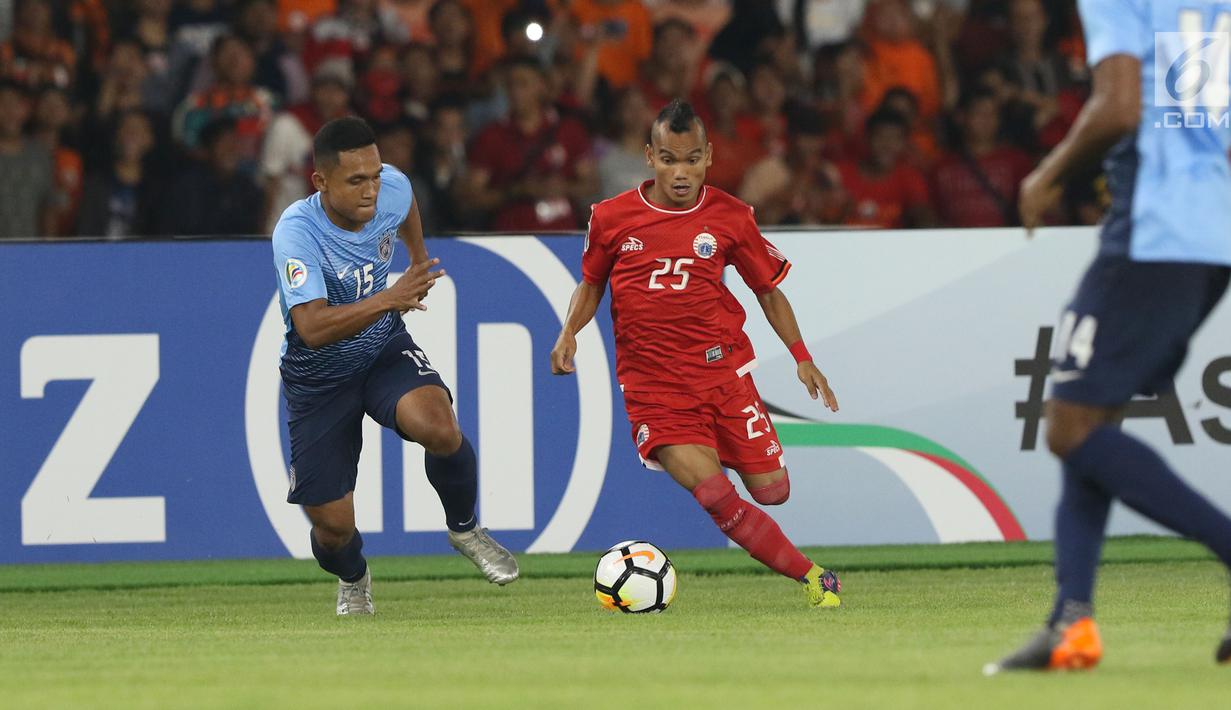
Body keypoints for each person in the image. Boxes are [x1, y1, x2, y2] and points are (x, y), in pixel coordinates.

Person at [986, 0, 1231, 673]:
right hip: (1211, 230)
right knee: (1090, 419)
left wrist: (1047, 174)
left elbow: (1118, 108)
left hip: (1153, 231)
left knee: (1068, 426)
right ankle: (1071, 621)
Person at [550, 99, 843, 608]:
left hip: (722, 374)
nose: (679, 172)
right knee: (714, 496)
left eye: (690, 160)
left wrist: (801, 356)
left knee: (773, 491)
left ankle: (719, 446)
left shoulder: (732, 216)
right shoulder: (611, 217)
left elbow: (768, 291)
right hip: (654, 389)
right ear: (649, 156)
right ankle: (814, 578)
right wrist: (569, 331)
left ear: (709, 157)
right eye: (668, 159)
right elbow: (592, 282)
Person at [271, 116, 518, 615]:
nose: (372, 190)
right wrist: (390, 297)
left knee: (440, 427)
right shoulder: (297, 232)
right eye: (356, 180)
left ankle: (466, 529)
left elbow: (405, 205)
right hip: (319, 378)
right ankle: (354, 577)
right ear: (321, 182)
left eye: (375, 174)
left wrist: (419, 255)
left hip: (382, 349)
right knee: (333, 527)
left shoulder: (393, 188)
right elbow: (313, 328)